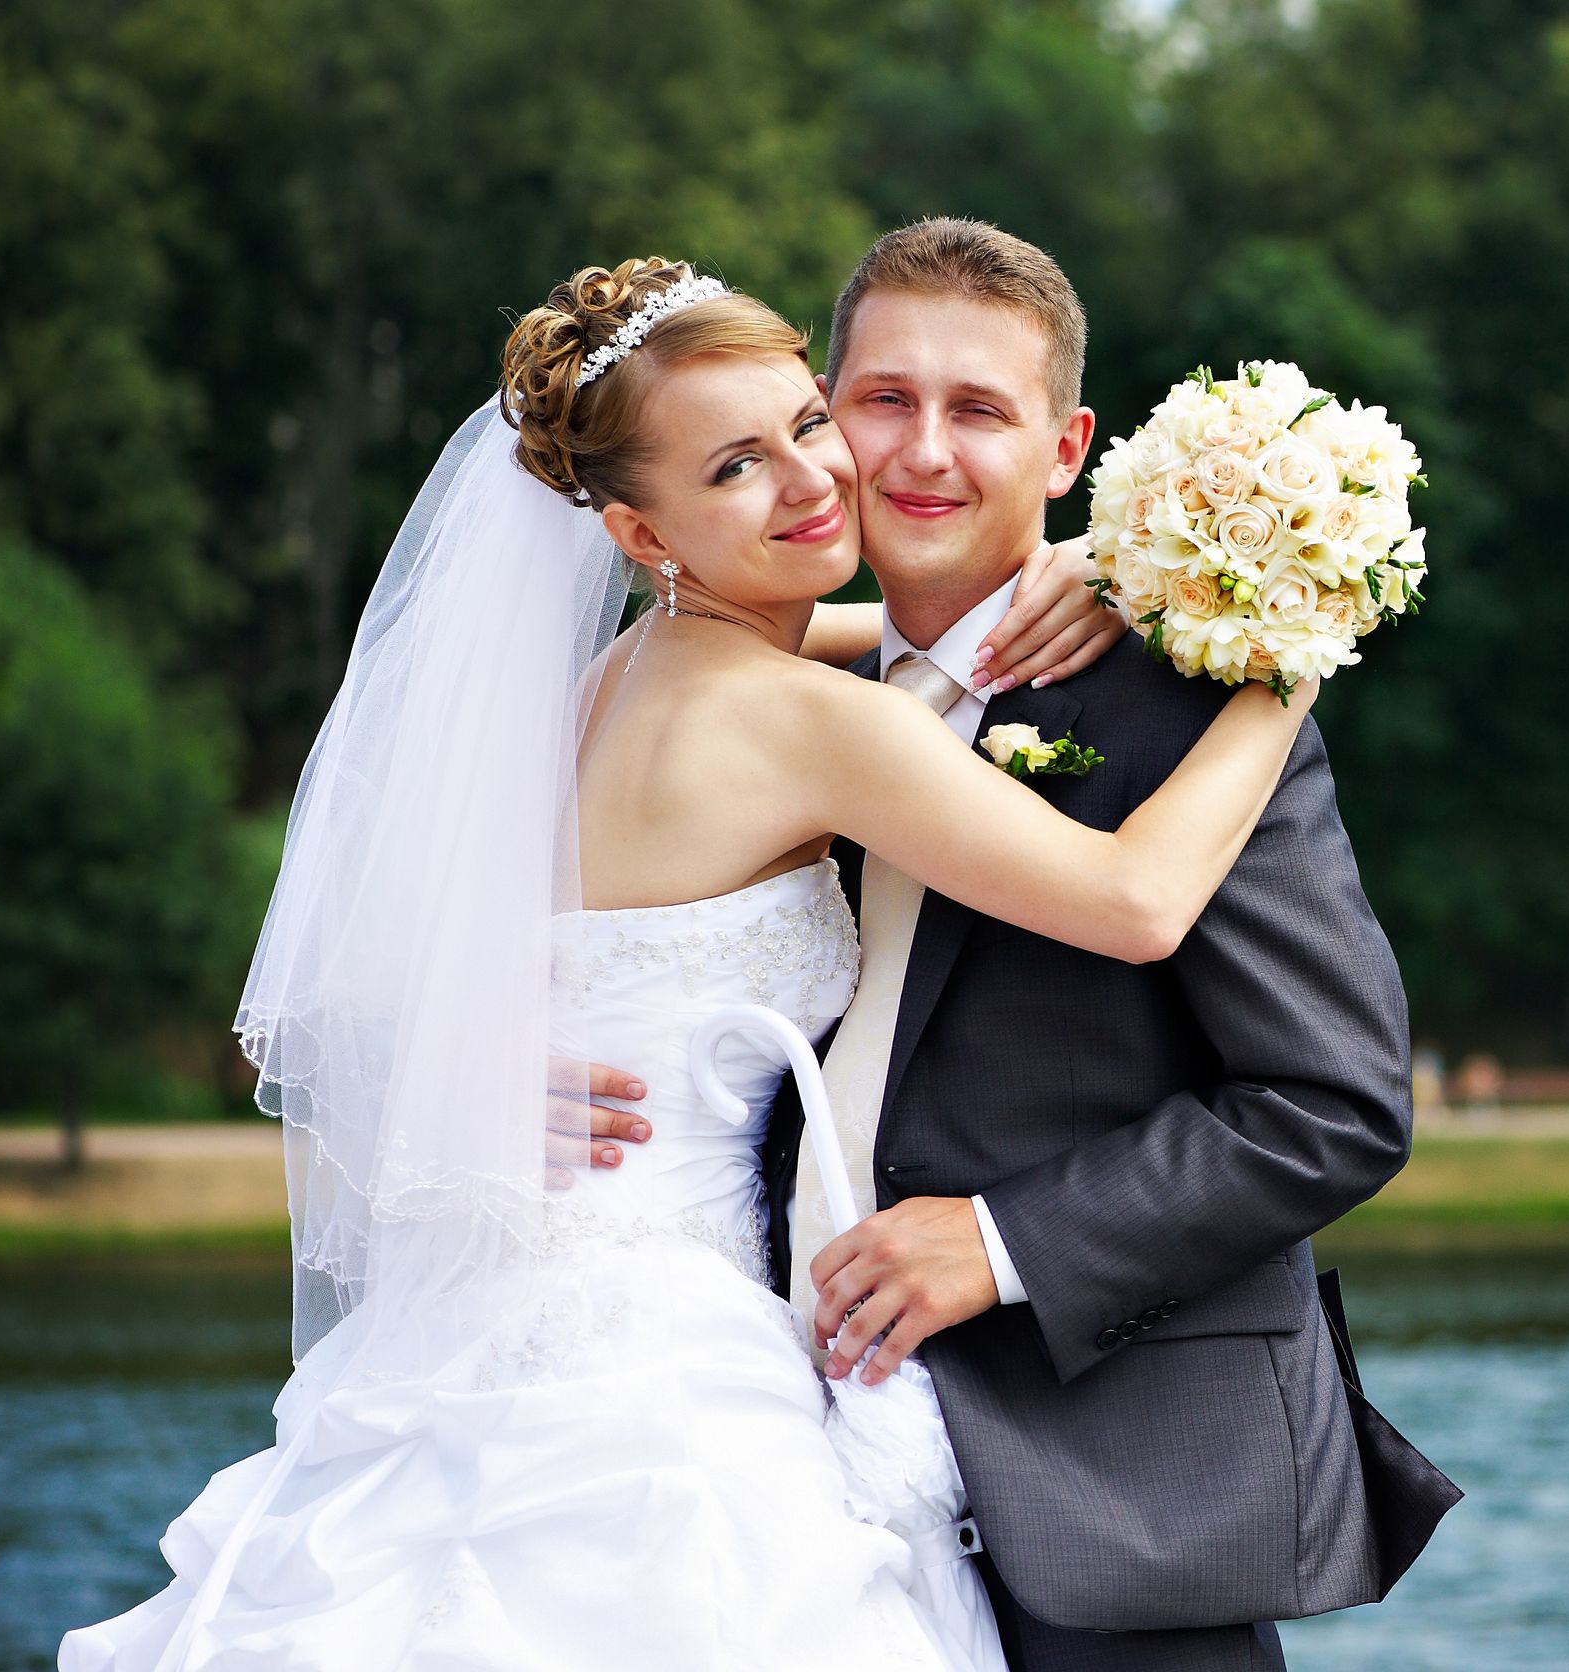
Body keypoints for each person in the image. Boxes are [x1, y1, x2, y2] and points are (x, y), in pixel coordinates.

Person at [63, 257, 1335, 1670]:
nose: (811, 481)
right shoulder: (797, 723)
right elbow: (1141, 900)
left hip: (504, 1326)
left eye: (803, 422)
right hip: (665, 1361)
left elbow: (921, 640)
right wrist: (1282, 656)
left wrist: (1096, 563)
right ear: (637, 530)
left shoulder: (612, 686)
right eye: (737, 466)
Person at [582, 221, 1456, 1669]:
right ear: (824, 415)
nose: (923, 451)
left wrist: (1002, 1244)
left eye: (980, 409)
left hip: (1109, 1492)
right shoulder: (769, 679)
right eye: (881, 401)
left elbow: (1335, 1103)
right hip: (763, 1470)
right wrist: (497, 1072)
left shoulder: (1193, 712)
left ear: (1067, 451)